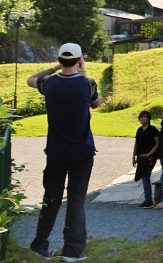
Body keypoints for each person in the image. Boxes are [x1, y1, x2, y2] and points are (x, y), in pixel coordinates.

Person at [26, 42, 101, 262]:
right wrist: (83, 68)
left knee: (51, 198)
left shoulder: (49, 83)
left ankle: (40, 245)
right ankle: (71, 251)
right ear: (79, 60)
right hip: (82, 153)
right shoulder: (88, 84)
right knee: (76, 201)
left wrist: (53, 68)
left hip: (55, 152)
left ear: (60, 60)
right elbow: (96, 104)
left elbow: (30, 80)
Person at [132, 109, 159, 209]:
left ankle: (149, 201)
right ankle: (147, 200)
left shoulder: (153, 130)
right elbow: (136, 144)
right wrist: (133, 157)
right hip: (140, 157)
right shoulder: (139, 130)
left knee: (146, 177)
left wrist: (149, 153)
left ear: (148, 119)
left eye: (145, 117)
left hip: (150, 158)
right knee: (143, 177)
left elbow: (157, 143)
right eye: (141, 117)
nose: (143, 119)